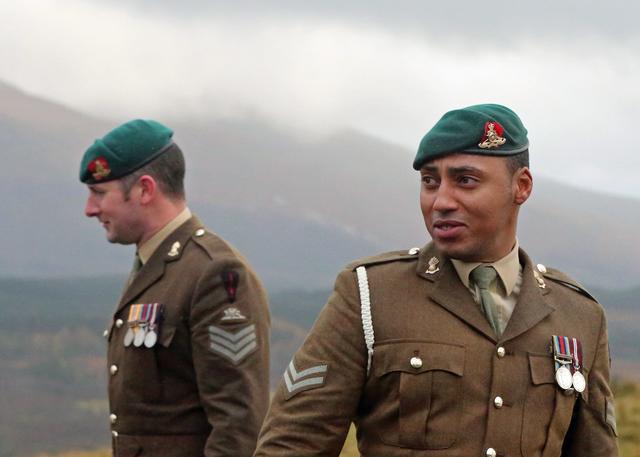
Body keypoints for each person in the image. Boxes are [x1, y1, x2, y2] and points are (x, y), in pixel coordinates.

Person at [254, 104, 618, 456]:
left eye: (465, 181)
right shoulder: (370, 295)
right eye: (430, 181)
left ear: (520, 186)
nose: (441, 200)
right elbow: (291, 446)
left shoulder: (579, 315)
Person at [80, 119, 270, 457]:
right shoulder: (155, 266)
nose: (89, 209)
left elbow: (238, 427)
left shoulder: (215, 273)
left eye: (99, 193)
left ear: (145, 190)